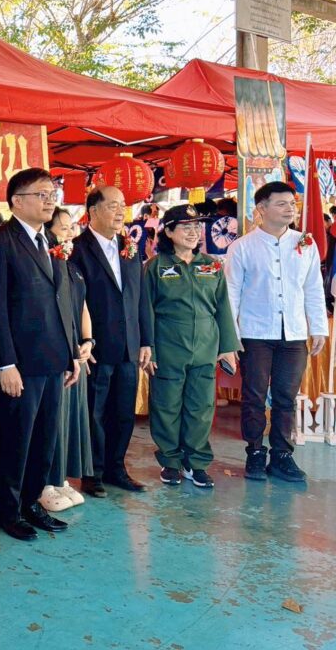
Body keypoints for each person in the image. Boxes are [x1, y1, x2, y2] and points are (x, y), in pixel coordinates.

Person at [0, 168, 80, 542]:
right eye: (42, 194)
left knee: (44, 437)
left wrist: (71, 354)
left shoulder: (49, 240)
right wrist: (5, 362)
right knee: (15, 437)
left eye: (53, 194)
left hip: (53, 358)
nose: (50, 201)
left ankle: (32, 502)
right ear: (17, 201)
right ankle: (8, 509)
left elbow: (62, 301)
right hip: (20, 362)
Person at [224, 182, 328, 483]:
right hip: (255, 333)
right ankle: (255, 453)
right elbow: (231, 295)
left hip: (293, 334)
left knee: (286, 396)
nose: (289, 209)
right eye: (281, 203)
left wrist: (318, 327)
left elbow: (313, 288)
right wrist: (231, 338)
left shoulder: (305, 244)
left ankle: (282, 456)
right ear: (262, 208)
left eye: (292, 203)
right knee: (254, 396)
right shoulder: (242, 247)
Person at [140, 205, 239, 489]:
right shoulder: (155, 267)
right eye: (186, 227)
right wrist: (149, 347)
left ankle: (196, 463)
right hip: (168, 347)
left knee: (201, 407)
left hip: (206, 347)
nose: (194, 232)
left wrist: (227, 347)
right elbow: (145, 311)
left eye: (197, 226)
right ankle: (170, 461)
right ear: (169, 232)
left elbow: (223, 307)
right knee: (167, 406)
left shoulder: (211, 265)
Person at [68, 187, 147, 496]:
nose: (120, 212)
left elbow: (140, 297)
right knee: (95, 412)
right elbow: (74, 302)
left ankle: (117, 468)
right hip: (96, 346)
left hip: (129, 345)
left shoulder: (130, 247)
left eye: (123, 206)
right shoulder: (77, 249)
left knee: (124, 412)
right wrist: (80, 341)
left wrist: (146, 340)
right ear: (93, 211)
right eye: (113, 205)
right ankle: (93, 472)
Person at [41, 207, 93, 510]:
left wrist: (87, 341)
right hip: (57, 356)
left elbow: (83, 307)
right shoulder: (45, 266)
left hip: (77, 355)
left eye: (71, 226)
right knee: (53, 421)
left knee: (71, 418)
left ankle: (61, 478)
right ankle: (45, 483)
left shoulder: (71, 267)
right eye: (62, 226)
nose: (70, 232)